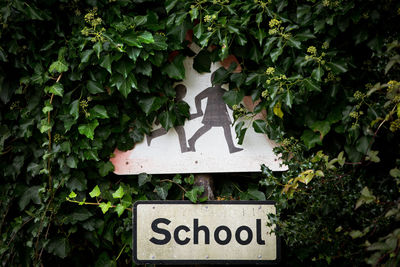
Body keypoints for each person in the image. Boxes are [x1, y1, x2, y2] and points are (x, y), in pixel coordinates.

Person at [187, 72, 243, 154]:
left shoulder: (224, 92)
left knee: (223, 127)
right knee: (209, 126)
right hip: (212, 113)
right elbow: (197, 98)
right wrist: (199, 111)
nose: (219, 82)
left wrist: (239, 109)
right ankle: (192, 140)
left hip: (221, 114)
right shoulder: (211, 90)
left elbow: (230, 106)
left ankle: (231, 148)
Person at [146, 84, 190, 153]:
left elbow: (186, 114)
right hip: (170, 120)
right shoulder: (169, 102)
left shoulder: (183, 104)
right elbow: (161, 111)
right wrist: (157, 121)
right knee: (164, 130)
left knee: (180, 131)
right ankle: (150, 135)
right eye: (179, 92)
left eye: (183, 93)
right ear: (175, 92)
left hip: (177, 121)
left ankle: (184, 148)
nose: (181, 95)